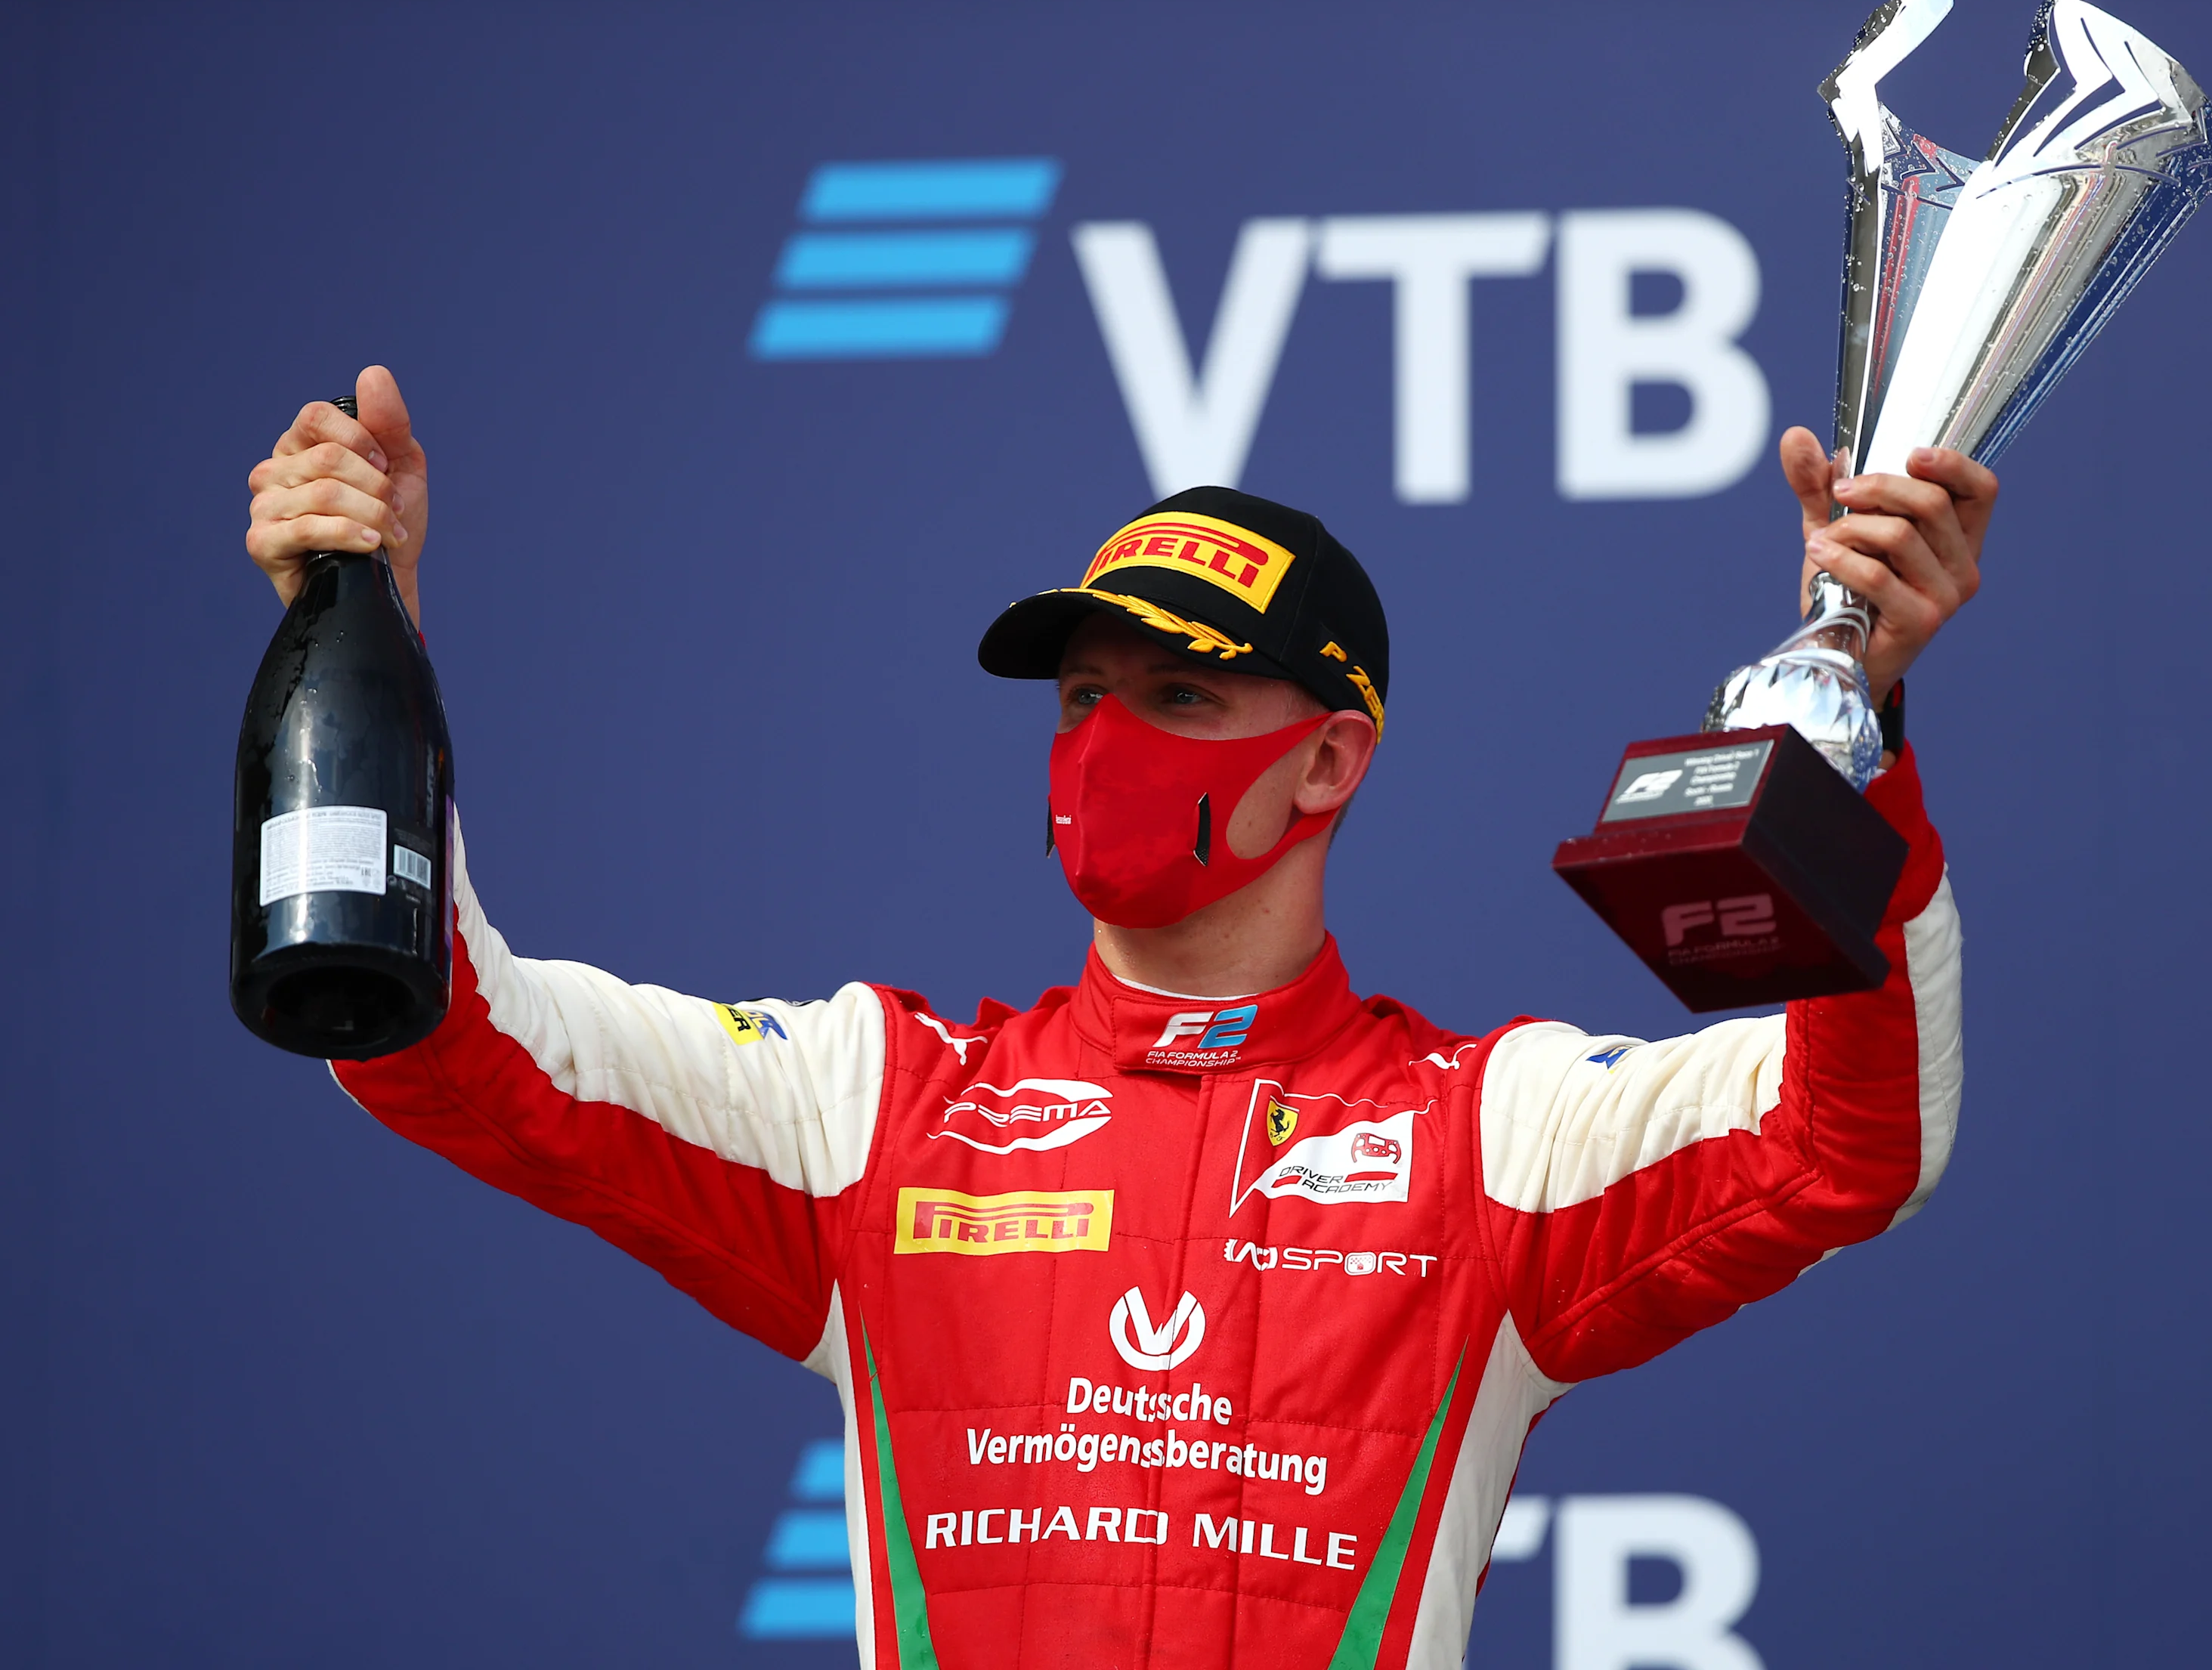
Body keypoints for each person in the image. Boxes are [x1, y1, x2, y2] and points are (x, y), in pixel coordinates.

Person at [243, 363, 1991, 1670]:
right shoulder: (871, 1105)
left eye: (1179, 691)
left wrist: (1864, 732)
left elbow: (1854, 1144)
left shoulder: (1496, 1133)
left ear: (1331, 755)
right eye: (1083, 696)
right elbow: (448, 1047)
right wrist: (366, 632)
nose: (1108, 740)